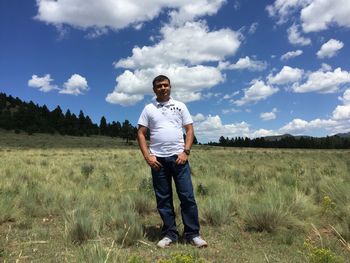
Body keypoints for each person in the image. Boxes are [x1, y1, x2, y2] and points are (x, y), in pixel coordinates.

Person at [137, 75, 207, 248]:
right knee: (163, 199)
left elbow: (189, 129)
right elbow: (140, 133)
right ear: (154, 89)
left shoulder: (180, 106)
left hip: (179, 159)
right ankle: (170, 234)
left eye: (165, 85)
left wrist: (186, 151)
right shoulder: (148, 108)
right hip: (157, 161)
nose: (163, 88)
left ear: (170, 87)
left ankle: (193, 234)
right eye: (159, 86)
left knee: (187, 196)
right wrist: (148, 156)